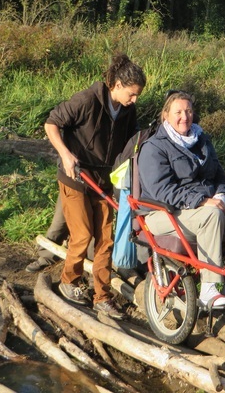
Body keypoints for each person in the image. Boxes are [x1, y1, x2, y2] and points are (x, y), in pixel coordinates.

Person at [44, 53, 146, 319]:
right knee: (82, 233)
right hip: (75, 176)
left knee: (106, 238)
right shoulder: (87, 100)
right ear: (118, 85)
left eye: (136, 96)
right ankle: (69, 281)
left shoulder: (127, 110)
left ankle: (102, 295)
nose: (134, 100)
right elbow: (51, 123)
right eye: (132, 94)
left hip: (103, 179)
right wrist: (66, 156)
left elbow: (131, 142)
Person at [137, 91, 225, 309]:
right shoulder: (154, 147)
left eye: (189, 111)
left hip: (200, 210)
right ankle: (209, 288)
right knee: (211, 214)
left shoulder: (202, 140)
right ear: (166, 116)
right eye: (178, 112)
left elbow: (220, 177)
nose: (185, 116)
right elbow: (162, 190)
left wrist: (221, 196)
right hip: (162, 213)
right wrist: (201, 200)